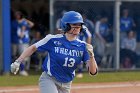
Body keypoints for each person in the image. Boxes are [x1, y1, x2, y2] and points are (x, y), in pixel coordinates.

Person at [10, 11, 98, 93]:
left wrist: (91, 56)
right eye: (74, 24)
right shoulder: (53, 39)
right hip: (49, 79)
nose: (78, 27)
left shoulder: (83, 46)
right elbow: (33, 48)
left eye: (79, 24)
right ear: (66, 25)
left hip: (66, 84)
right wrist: (18, 61)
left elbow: (93, 72)